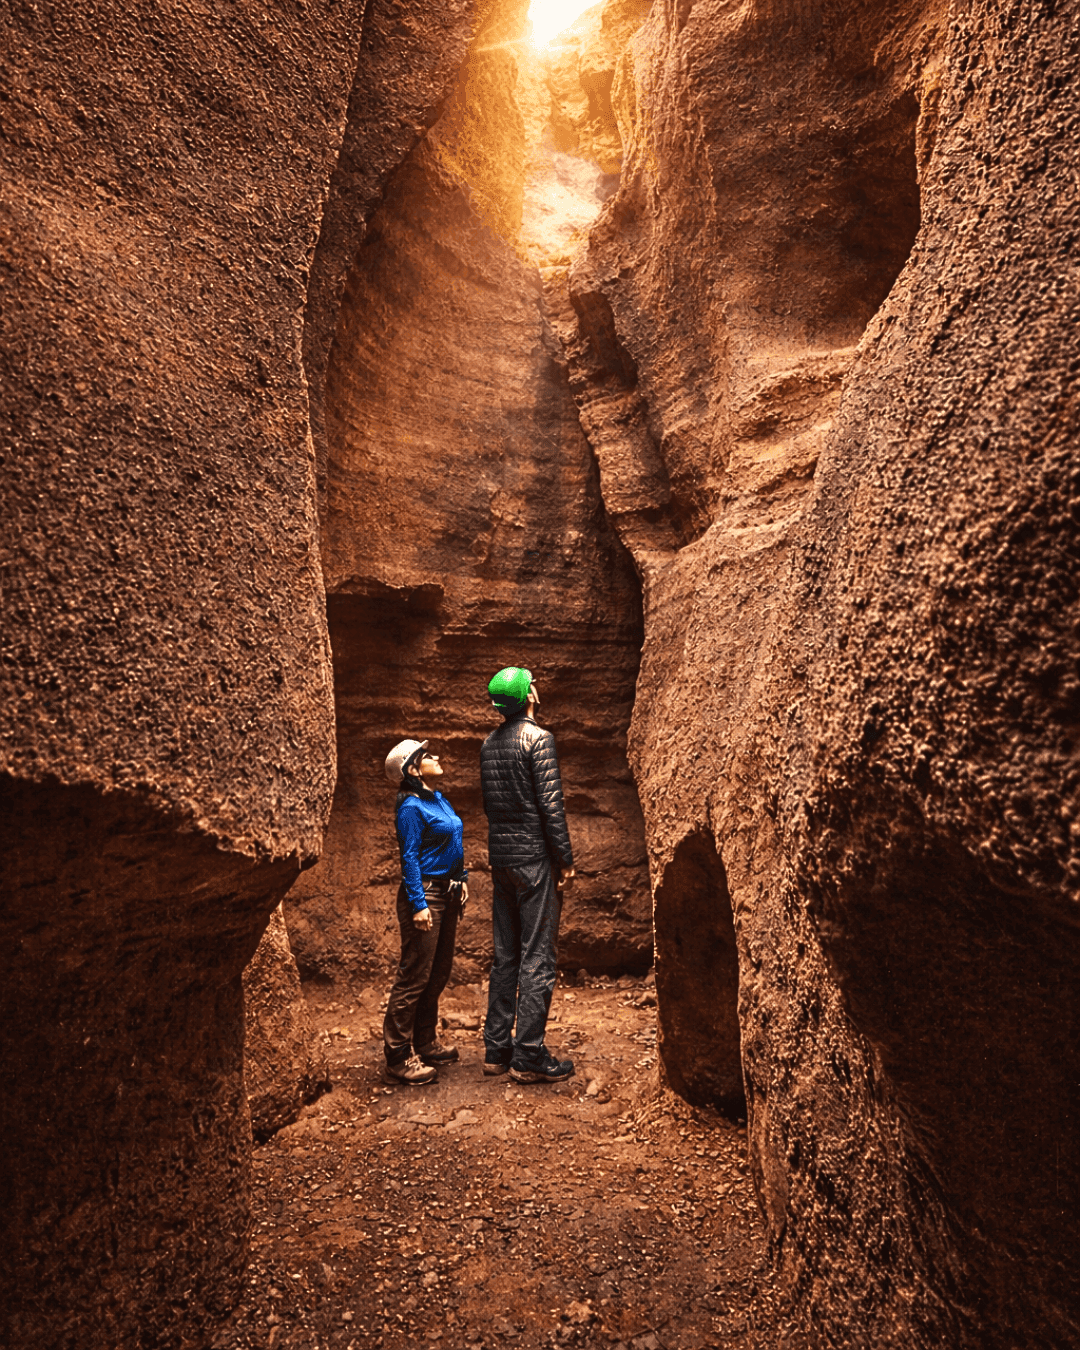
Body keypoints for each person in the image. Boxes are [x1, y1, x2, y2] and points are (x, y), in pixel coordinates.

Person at [480, 667, 577, 1084]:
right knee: (538, 956)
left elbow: (492, 807)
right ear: (530, 697)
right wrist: (564, 858)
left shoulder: (488, 744)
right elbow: (551, 807)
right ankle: (528, 1055)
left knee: (506, 956)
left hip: (502, 861)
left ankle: (496, 1050)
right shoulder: (538, 739)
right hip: (534, 861)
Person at [382, 737, 468, 1085]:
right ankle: (398, 1056)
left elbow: (453, 842)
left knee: (437, 973)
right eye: (427, 755)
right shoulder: (411, 808)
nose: (436, 757)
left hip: (447, 892)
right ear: (414, 770)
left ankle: (425, 1041)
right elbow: (410, 858)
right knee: (415, 975)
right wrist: (418, 904)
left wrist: (461, 878)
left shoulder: (438, 799)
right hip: (426, 896)